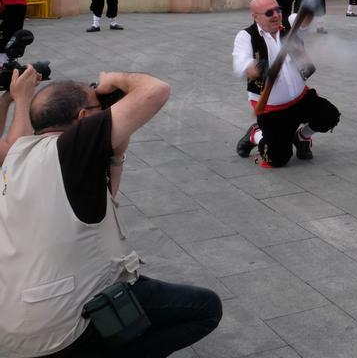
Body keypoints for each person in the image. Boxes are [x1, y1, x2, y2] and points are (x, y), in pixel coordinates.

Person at [0, 70, 223, 357]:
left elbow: (100, 203)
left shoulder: (15, 157)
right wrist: (114, 79)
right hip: (60, 327)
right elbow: (155, 90)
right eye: (99, 108)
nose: (106, 112)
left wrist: (15, 99)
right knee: (204, 309)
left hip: (15, 327)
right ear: (82, 119)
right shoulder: (70, 147)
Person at [232, 0, 341, 166]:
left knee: (330, 115)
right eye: (269, 13)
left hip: (300, 99)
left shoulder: (290, 24)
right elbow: (243, 65)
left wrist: (310, 4)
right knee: (277, 159)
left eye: (278, 10)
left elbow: (304, 20)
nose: (276, 15)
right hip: (271, 109)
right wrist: (260, 69)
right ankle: (255, 134)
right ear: (256, 17)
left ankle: (301, 137)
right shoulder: (246, 36)